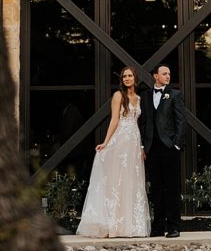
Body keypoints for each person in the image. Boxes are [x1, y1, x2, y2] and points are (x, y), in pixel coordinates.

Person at [76, 66, 150, 238]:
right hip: (121, 140)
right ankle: (112, 225)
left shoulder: (139, 98)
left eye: (130, 76)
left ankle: (130, 226)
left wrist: (141, 147)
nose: (127, 78)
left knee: (131, 181)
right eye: (124, 76)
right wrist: (106, 142)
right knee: (116, 180)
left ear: (135, 78)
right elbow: (114, 119)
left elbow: (139, 124)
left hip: (134, 141)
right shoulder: (118, 96)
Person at [139, 63, 187, 238]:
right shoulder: (145, 96)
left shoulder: (175, 94)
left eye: (169, 73)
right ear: (155, 76)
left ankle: (174, 226)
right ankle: (158, 226)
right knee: (156, 188)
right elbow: (144, 122)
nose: (168, 76)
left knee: (172, 187)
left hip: (169, 147)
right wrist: (143, 145)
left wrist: (176, 144)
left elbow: (181, 121)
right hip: (151, 148)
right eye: (164, 73)